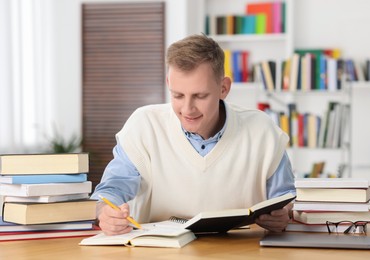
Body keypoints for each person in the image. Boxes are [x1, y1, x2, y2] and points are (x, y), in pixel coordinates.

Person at [90, 34, 296, 236]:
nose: (187, 109)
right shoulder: (144, 125)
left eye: (200, 96)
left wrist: (284, 214)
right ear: (168, 83)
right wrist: (105, 213)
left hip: (240, 251)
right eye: (177, 95)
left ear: (223, 88)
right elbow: (113, 189)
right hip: (160, 252)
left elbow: (286, 200)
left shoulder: (262, 130)